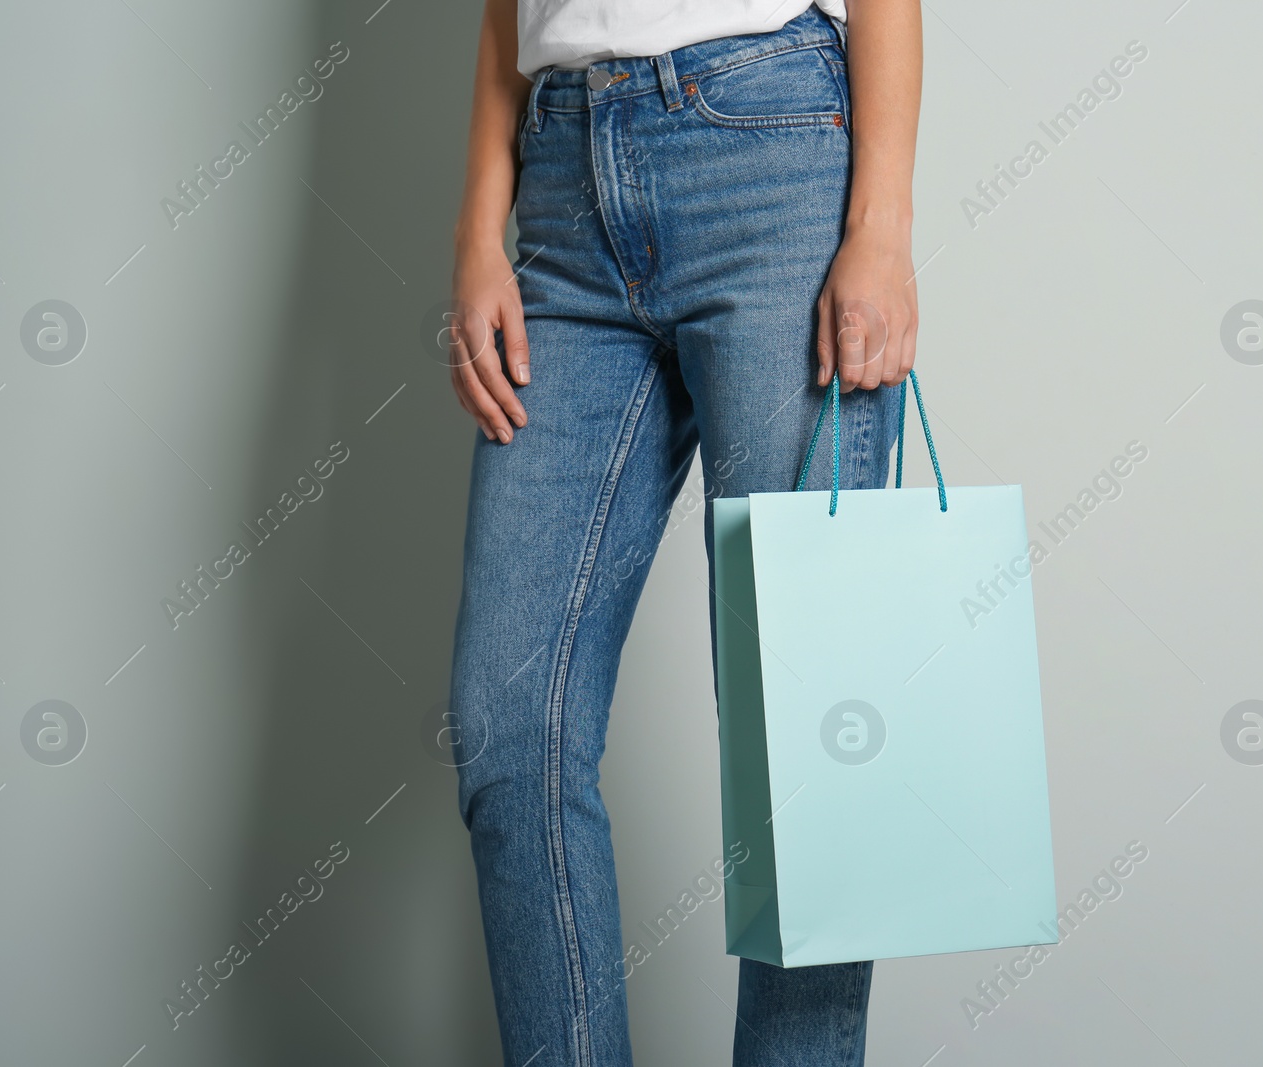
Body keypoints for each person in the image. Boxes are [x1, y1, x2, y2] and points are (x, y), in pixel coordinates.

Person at [445, 1, 924, 1063]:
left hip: (771, 155)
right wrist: (480, 235)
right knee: (507, 727)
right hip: (562, 193)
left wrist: (879, 229)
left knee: (808, 739)